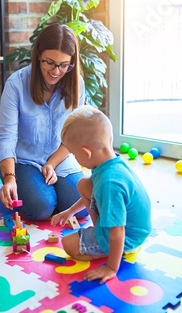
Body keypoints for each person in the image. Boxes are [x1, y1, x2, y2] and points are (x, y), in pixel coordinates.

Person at [0, 23, 88, 221]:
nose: (56, 71)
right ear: (38, 55)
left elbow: (73, 136)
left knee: (83, 207)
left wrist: (52, 164)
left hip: (60, 158)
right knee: (41, 208)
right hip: (24, 160)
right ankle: (28, 186)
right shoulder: (16, 84)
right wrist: (10, 178)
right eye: (50, 63)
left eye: (64, 65)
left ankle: (46, 189)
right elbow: (6, 137)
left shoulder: (76, 83)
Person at [51, 105, 151, 283]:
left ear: (85, 152)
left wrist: (111, 267)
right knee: (83, 184)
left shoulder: (110, 183)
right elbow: (91, 189)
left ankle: (109, 250)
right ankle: (100, 233)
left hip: (127, 236)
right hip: (133, 228)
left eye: (74, 154)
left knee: (68, 244)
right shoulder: (110, 163)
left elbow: (117, 230)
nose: (74, 158)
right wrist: (69, 212)